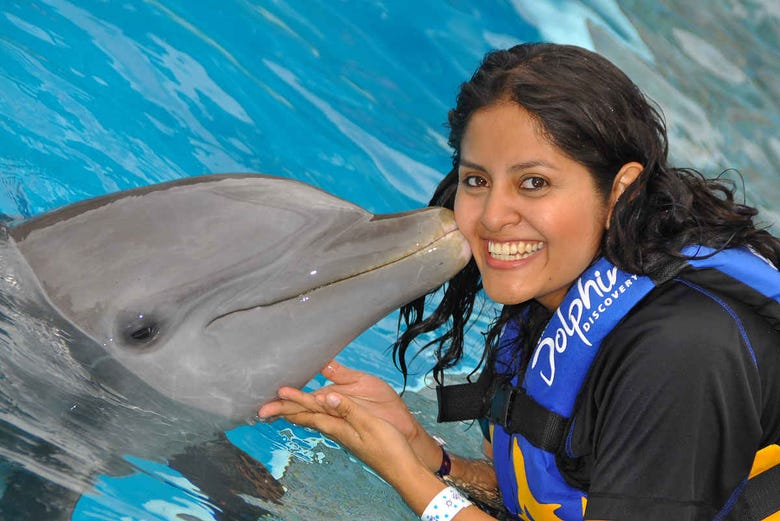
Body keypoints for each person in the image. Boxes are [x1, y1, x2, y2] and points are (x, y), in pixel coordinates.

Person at [258, 43, 780, 521]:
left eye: (534, 183)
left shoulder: (684, 351)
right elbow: (555, 498)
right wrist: (424, 453)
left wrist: (408, 478)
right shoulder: (560, 301)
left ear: (620, 190)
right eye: (476, 181)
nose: (492, 217)